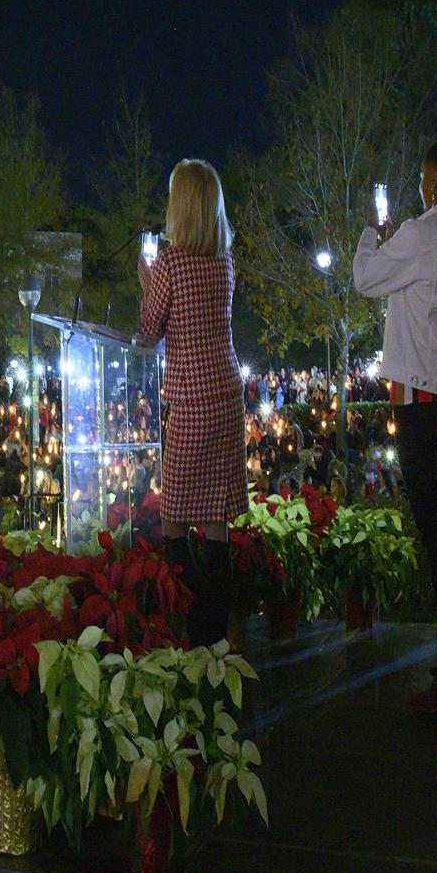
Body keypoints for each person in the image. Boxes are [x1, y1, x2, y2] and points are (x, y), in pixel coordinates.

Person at [353, 136, 437, 713]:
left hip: (420, 406)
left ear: (433, 179)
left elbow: (364, 277)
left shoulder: (423, 232)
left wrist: (371, 233)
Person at [137, 158, 245, 648]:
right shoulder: (224, 260)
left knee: (176, 514)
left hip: (191, 397)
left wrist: (146, 280)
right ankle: (216, 627)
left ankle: (184, 627)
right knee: (217, 517)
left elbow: (148, 331)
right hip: (226, 390)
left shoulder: (171, 263)